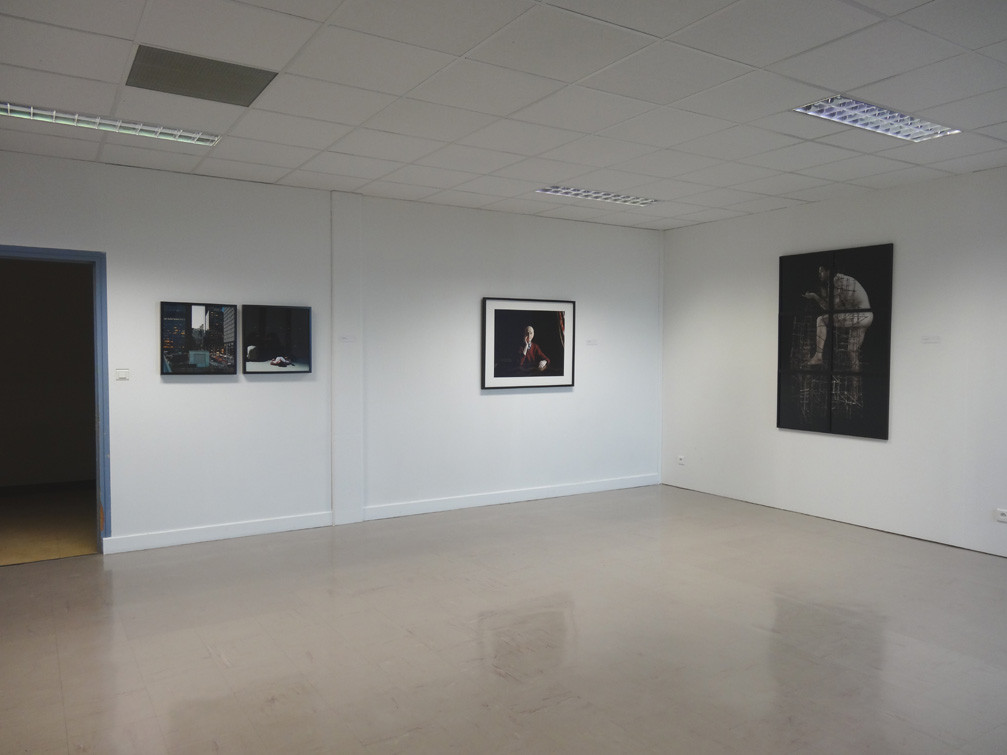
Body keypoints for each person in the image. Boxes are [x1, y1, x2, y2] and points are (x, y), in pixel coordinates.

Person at [803, 266, 873, 371]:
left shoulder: (836, 281)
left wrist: (815, 297)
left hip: (859, 314)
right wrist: (815, 296)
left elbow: (830, 309)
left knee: (821, 320)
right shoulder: (843, 280)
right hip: (867, 316)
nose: (819, 274)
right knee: (852, 351)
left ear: (828, 271)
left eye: (821, 271)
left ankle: (818, 356)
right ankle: (856, 382)